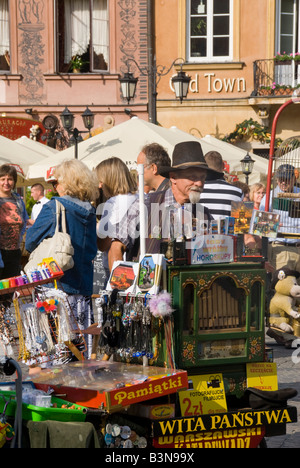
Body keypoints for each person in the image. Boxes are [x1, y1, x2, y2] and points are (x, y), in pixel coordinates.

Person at [26, 160, 99, 358]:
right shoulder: (90, 211)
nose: (54, 187)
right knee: (79, 349)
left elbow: (29, 242)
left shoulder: (54, 207)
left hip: (56, 287)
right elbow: (92, 248)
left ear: (67, 182)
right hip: (82, 288)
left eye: (56, 182)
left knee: (54, 349)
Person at [95, 157, 138, 277]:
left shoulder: (113, 203)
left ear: (109, 180)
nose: (99, 185)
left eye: (101, 180)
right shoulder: (140, 197)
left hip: (117, 267)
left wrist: (96, 228)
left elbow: (103, 245)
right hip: (135, 260)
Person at [259, 164, 300, 271]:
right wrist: (274, 224)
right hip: (280, 249)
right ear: (276, 179)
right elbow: (259, 225)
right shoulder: (270, 196)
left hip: (298, 247)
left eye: (286, 179)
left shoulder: (299, 194)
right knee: (282, 285)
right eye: (281, 179)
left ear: (294, 178)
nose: (283, 182)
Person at [0, 164, 29, 279]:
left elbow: (24, 220)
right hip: (1, 252)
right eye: (2, 179)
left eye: (10, 179)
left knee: (11, 290)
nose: (6, 182)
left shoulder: (18, 200)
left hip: (15, 252)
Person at [200, 151, 243, 218]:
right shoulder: (238, 192)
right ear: (223, 165)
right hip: (227, 228)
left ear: (204, 166)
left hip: (202, 228)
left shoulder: (197, 190)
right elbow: (242, 225)